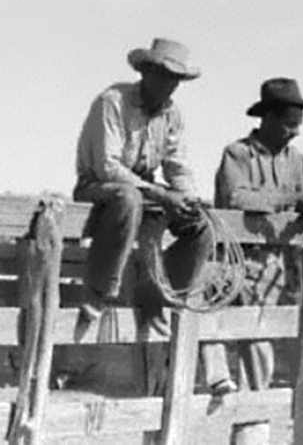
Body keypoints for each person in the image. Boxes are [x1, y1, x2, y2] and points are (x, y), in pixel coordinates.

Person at [73, 38, 214, 331]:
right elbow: (108, 167)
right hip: (99, 186)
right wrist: (162, 194)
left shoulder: (171, 114)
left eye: (175, 78)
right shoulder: (112, 101)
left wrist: (188, 197)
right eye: (163, 75)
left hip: (145, 191)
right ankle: (100, 289)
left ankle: (163, 291)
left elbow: (178, 165)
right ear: (145, 71)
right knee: (126, 198)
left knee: (201, 225)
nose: (169, 84)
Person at [201, 77, 303, 396]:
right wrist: (292, 199)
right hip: (237, 259)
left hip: (279, 268)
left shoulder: (297, 160)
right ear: (268, 118)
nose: (295, 132)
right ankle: (230, 391)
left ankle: (258, 413)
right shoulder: (237, 154)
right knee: (239, 328)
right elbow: (237, 198)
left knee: (265, 340)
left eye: (298, 125)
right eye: (289, 125)